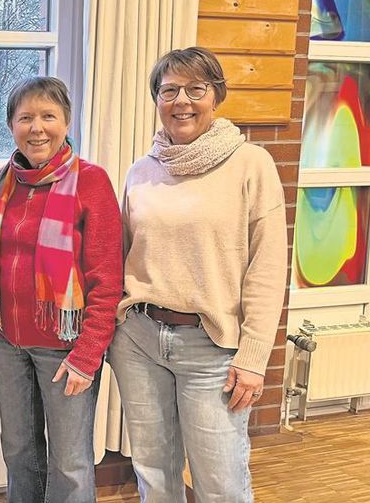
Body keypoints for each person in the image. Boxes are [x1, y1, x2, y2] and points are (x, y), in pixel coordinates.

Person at [109, 47, 287, 502]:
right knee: (153, 472)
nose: (182, 101)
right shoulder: (141, 172)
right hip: (140, 340)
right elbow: (125, 256)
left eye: (196, 89)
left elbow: (268, 269)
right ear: (157, 99)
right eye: (169, 91)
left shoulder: (251, 164)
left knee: (221, 483)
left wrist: (252, 358)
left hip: (213, 350)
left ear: (217, 96)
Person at [0, 77, 122, 503]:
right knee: (19, 452)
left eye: (48, 116)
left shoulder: (91, 181)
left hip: (65, 349)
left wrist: (88, 355)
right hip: (7, 341)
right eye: (25, 118)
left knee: (70, 462)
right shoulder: (6, 179)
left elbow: (107, 279)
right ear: (11, 126)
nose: (37, 128)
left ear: (66, 121)